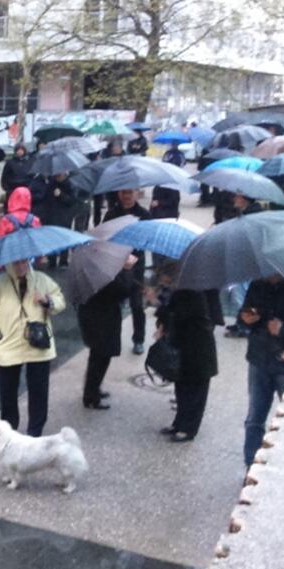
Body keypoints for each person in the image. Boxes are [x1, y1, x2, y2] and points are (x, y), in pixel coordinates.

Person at [0, 259, 66, 437]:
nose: (20, 267)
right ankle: (9, 429)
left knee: (39, 391)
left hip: (38, 346)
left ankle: (35, 431)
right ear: (9, 264)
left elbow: (60, 301)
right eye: (16, 264)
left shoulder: (42, 280)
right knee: (7, 392)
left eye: (24, 263)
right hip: (8, 346)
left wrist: (46, 300)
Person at [146, 261, 218, 443]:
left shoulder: (192, 292)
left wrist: (156, 303)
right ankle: (179, 423)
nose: (163, 283)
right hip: (183, 348)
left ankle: (189, 429)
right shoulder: (177, 291)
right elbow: (170, 313)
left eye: (165, 279)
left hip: (198, 350)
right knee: (182, 388)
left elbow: (177, 315)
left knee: (195, 392)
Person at [237, 275, 284, 465]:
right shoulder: (258, 284)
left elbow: (279, 327)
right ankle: (251, 465)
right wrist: (245, 318)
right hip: (259, 359)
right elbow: (243, 316)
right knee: (255, 418)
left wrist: (283, 330)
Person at [78, 257, 136, 409]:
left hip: (95, 316)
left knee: (98, 357)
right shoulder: (101, 270)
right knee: (100, 357)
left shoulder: (94, 264)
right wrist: (127, 270)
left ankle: (93, 389)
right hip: (101, 319)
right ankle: (91, 396)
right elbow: (122, 290)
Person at [104, 189, 151, 354]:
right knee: (113, 305)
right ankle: (111, 338)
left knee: (137, 305)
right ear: (118, 194)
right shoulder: (112, 214)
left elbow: (147, 240)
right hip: (116, 264)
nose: (127, 196)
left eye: (130, 192)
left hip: (136, 265)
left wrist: (133, 257)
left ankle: (139, 339)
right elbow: (105, 238)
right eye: (124, 192)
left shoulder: (144, 215)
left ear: (137, 193)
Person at [36, 173, 76, 267]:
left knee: (64, 239)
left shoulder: (69, 184)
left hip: (65, 217)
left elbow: (72, 201)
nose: (59, 176)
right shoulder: (51, 184)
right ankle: (52, 260)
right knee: (52, 239)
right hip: (52, 216)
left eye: (60, 175)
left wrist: (61, 194)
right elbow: (46, 200)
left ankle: (63, 261)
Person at [150, 143, 185, 219]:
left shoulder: (180, 154)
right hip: (157, 213)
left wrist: (159, 203)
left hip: (168, 214)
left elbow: (174, 201)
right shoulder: (167, 153)